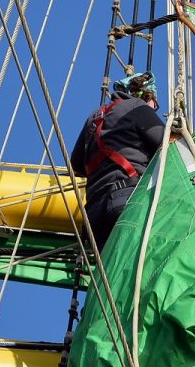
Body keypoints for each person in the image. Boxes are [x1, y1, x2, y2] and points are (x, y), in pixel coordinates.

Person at [71, 71, 166, 251]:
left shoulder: (94, 117)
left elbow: (77, 165)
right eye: (155, 103)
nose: (155, 109)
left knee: (108, 266)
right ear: (147, 96)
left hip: (94, 213)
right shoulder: (137, 106)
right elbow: (166, 143)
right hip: (127, 198)